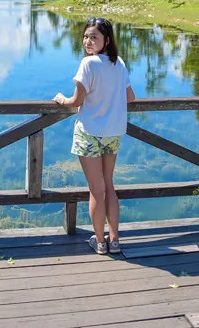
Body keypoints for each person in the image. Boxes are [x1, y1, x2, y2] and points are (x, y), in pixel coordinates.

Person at [53, 17, 135, 255]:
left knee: (96, 190)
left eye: (94, 37)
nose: (88, 41)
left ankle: (100, 242)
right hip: (113, 133)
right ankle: (115, 240)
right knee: (109, 185)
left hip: (89, 133)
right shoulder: (118, 63)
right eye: (86, 36)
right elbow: (130, 97)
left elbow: (75, 101)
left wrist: (60, 100)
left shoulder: (88, 64)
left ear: (107, 40)